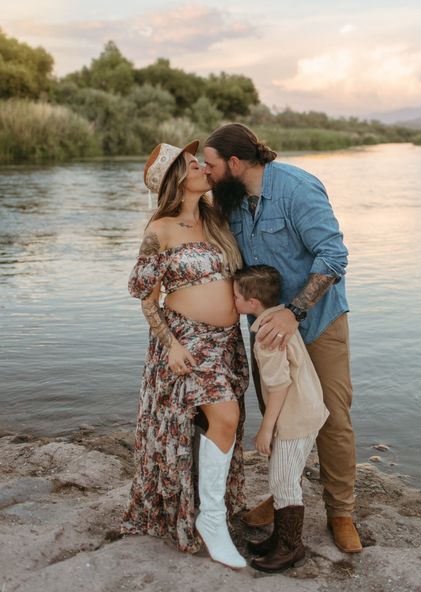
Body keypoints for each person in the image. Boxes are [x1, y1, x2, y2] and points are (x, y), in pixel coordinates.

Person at [203, 123, 362, 554]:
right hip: (267, 331)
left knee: (331, 416)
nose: (207, 173)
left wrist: (295, 312)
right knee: (277, 414)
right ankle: (282, 494)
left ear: (235, 164)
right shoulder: (230, 202)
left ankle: (340, 512)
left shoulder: (297, 189)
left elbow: (334, 256)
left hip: (318, 322)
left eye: (211, 166)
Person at [121, 140, 249, 569]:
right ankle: (211, 521)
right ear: (177, 178)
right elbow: (146, 298)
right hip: (187, 342)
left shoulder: (216, 221)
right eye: (192, 164)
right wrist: (170, 344)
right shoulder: (159, 229)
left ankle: (206, 509)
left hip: (226, 342)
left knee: (220, 423)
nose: (200, 167)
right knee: (225, 417)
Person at [233, 265, 329, 572]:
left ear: (251, 303)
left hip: (295, 416)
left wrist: (266, 429)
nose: (231, 299)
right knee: (280, 476)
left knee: (284, 481)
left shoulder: (265, 334)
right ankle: (280, 538)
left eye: (236, 295)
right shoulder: (278, 318)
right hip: (306, 408)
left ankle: (291, 548)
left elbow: (279, 385)